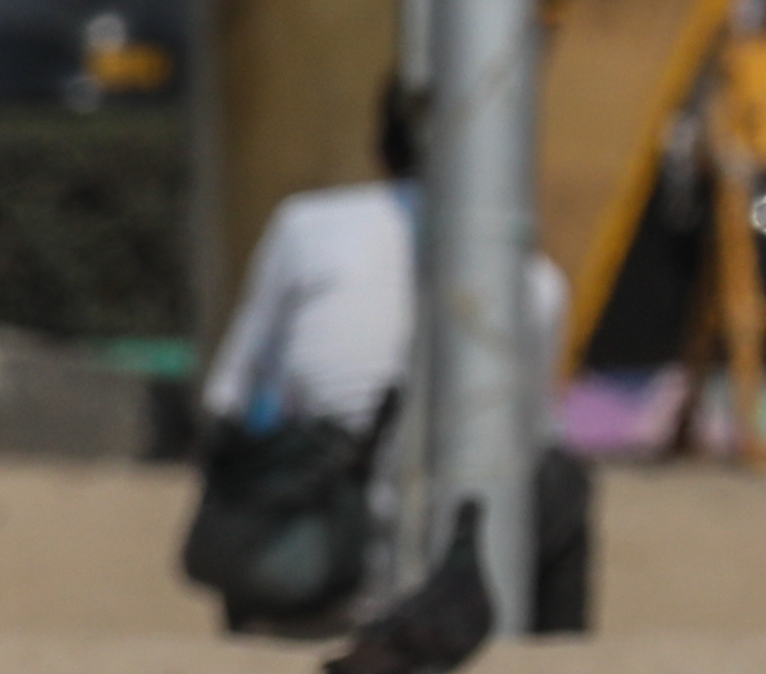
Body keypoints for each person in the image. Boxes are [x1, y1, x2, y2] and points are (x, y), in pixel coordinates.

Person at [196, 76, 590, 634]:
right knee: (563, 480)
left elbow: (229, 391)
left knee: (255, 447)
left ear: (381, 149)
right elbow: (541, 433)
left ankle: (251, 614)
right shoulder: (533, 279)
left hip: (312, 545)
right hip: (463, 562)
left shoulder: (306, 227)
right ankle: (545, 650)